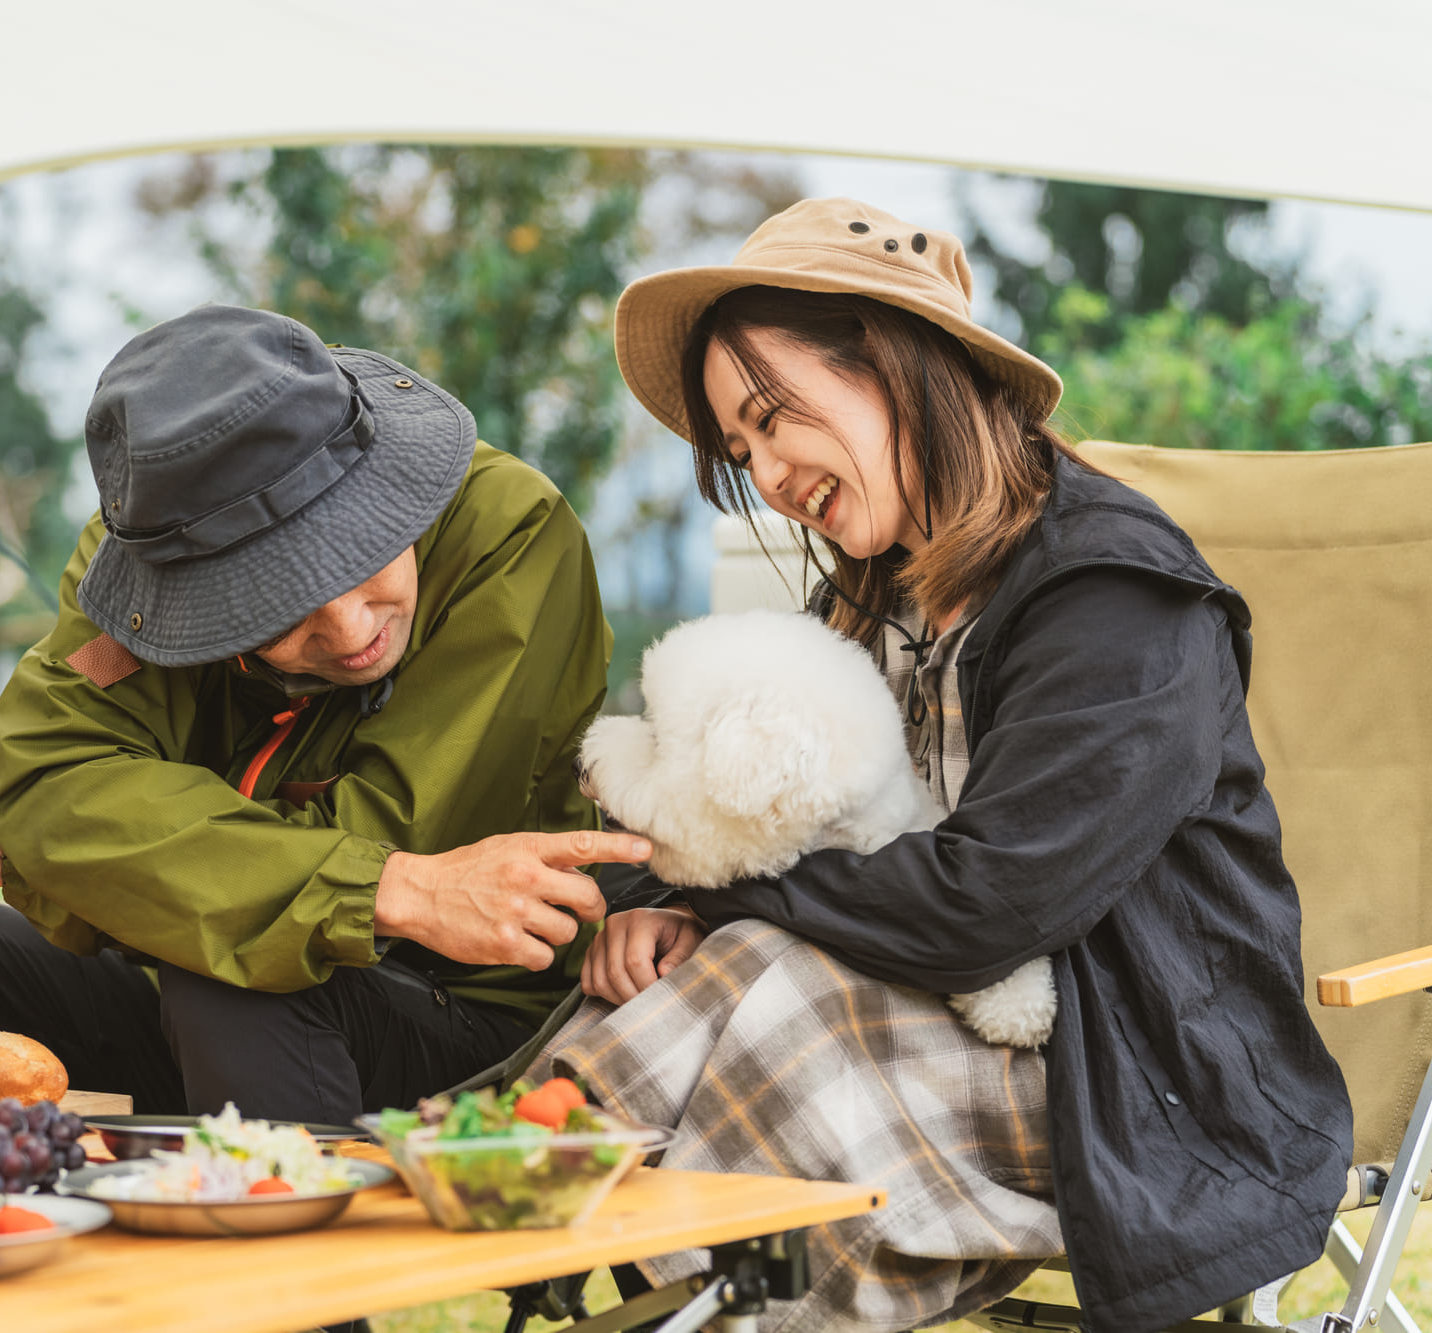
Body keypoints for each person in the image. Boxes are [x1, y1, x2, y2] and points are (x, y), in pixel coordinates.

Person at [549, 199, 1354, 1333]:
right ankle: (540, 1184)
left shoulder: (1116, 596)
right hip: (947, 1026)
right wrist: (662, 900)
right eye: (741, 451)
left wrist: (721, 892)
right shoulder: (876, 590)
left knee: (784, 1003)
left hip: (1142, 1078)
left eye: (773, 418)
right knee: (692, 976)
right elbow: (757, 793)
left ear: (893, 361)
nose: (770, 473)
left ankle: (599, 1225)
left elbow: (991, 903)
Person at [0, 304, 649, 1122]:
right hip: (177, 972)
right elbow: (49, 775)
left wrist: (32, 846)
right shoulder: (147, 550)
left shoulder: (514, 532)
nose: (352, 629)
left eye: (368, 554)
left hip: (456, 1013)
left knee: (239, 968)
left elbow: (385, 843)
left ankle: (279, 1276)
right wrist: (45, 829)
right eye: (278, 604)